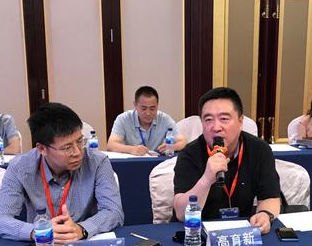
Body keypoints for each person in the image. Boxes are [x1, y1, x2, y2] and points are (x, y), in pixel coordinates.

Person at [0, 102, 124, 244]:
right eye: (67, 147)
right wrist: (37, 232)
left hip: (83, 244)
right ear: (42, 149)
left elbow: (113, 211)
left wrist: (81, 229)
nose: (77, 152)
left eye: (80, 141)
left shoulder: (97, 162)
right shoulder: (20, 167)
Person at [173, 87, 281, 234]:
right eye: (208, 120)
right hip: (198, 234)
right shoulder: (189, 154)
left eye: (224, 119)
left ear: (240, 121)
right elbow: (181, 213)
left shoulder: (259, 149)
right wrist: (206, 179)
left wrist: (265, 214)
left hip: (242, 232)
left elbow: (270, 197)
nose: (216, 127)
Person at [107, 86, 187, 155]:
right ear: (135, 105)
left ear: (157, 106)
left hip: (158, 163)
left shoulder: (165, 119)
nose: (148, 113)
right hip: (132, 162)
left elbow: (183, 142)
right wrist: (131, 149)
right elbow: (111, 145)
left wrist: (172, 147)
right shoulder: (123, 119)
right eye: (143, 108)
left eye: (152, 109)